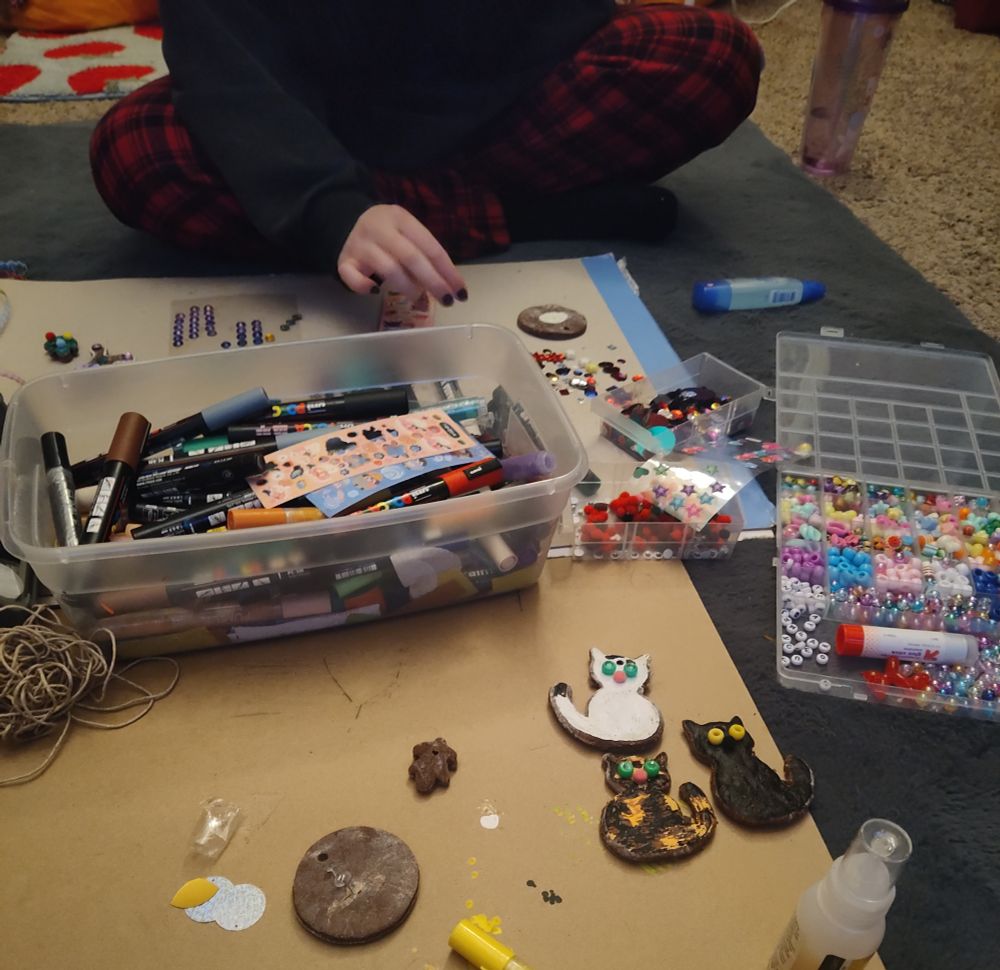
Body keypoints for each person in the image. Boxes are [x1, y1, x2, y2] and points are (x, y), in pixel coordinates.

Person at [90, 1, 763, 306]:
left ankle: (417, 221)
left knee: (713, 55)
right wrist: (328, 207)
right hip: (302, 125)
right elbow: (222, 64)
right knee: (134, 149)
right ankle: (525, 216)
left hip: (495, 106)